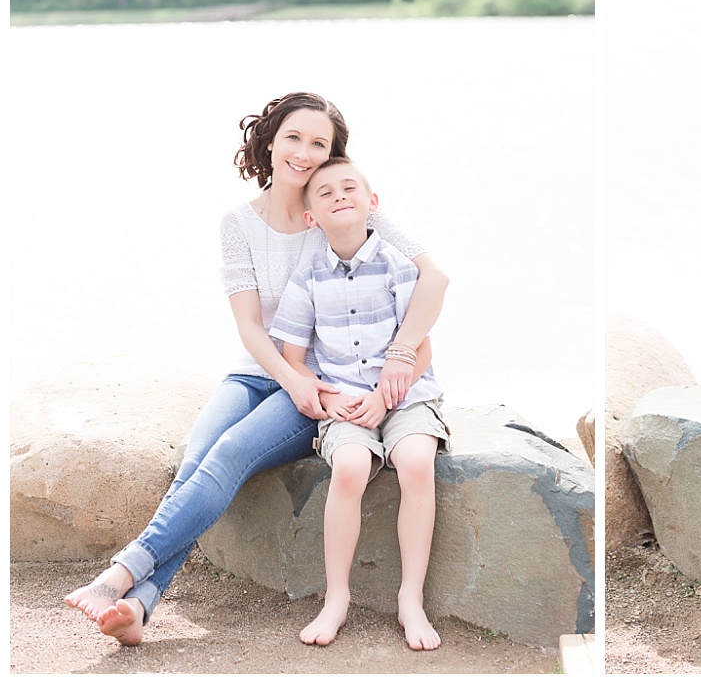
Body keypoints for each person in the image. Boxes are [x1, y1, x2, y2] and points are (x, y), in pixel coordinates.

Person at [64, 92, 450, 647]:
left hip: (323, 383)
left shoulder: (340, 204)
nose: (305, 152)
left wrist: (398, 356)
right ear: (270, 142)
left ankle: (122, 574)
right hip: (262, 371)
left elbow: (431, 278)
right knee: (195, 461)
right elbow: (249, 326)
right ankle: (142, 604)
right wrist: (289, 378)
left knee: (229, 456)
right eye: (294, 137)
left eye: (320, 144)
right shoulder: (237, 224)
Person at [268, 157, 449, 649]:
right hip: (345, 400)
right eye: (324, 193)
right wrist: (334, 398)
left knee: (415, 463)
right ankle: (337, 598)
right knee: (348, 467)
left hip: (405, 393)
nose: (339, 196)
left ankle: (410, 599)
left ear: (373, 204)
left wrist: (385, 398)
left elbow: (421, 343)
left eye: (350, 188)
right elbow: (294, 358)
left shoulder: (397, 264)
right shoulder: (307, 277)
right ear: (312, 218)